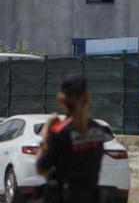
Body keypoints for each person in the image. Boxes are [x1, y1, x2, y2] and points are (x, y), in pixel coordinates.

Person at [36, 73, 110, 203]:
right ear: (87, 97)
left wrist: (46, 132)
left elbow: (41, 168)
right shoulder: (99, 131)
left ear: (61, 99)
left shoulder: (60, 132)